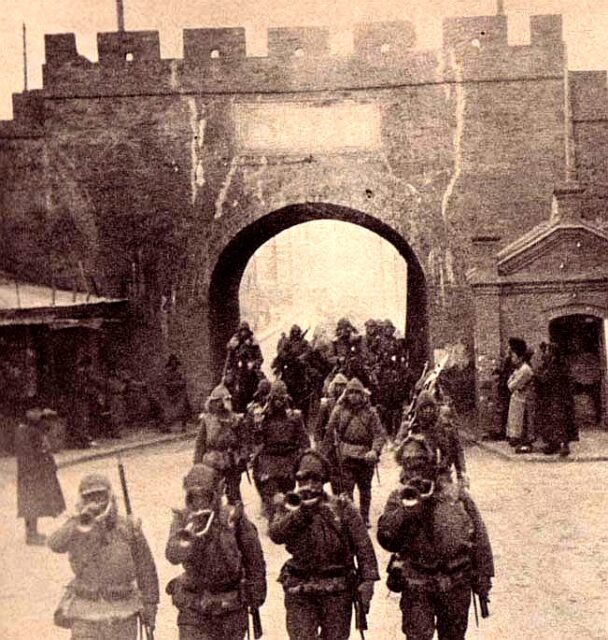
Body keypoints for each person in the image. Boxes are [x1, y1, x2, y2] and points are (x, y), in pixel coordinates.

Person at [377, 435, 494, 640]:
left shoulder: (456, 495)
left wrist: (484, 575)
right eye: (409, 467)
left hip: (456, 580)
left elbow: (480, 537)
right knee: (418, 635)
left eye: (420, 465)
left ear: (431, 465)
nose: (415, 473)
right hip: (417, 581)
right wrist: (406, 512)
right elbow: (387, 538)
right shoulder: (399, 498)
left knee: (453, 636)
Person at [269, 450, 379, 640]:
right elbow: (276, 535)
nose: (309, 486)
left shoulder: (342, 507)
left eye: (316, 480)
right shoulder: (289, 506)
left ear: (324, 481)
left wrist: (368, 582)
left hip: (336, 589)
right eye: (303, 480)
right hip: (300, 586)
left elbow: (363, 547)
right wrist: (301, 512)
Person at [48, 473, 159, 639]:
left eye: (100, 496)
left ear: (110, 497)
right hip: (86, 610)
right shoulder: (77, 526)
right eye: (89, 498)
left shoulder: (128, 527)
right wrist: (78, 521)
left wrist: (150, 605)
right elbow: (55, 544)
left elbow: (146, 568)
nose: (96, 503)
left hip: (123, 610)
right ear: (82, 500)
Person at [165, 464, 267, 640]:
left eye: (205, 496)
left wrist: (256, 594)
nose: (200, 502)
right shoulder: (182, 518)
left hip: (230, 604)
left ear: (216, 494)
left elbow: (254, 558)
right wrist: (189, 538)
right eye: (194, 497)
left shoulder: (233, 517)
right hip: (194, 603)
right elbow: (172, 555)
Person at [321, 377, 387, 528]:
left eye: (357, 393)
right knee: (347, 489)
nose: (354, 396)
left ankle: (364, 517)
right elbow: (329, 434)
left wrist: (375, 451)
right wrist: (323, 455)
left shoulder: (371, 413)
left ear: (362, 394)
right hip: (346, 456)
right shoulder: (338, 411)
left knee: (365, 489)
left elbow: (379, 435)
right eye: (351, 393)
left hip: (365, 457)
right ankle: (350, 518)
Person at [251, 380, 310, 520]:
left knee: (287, 491)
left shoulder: (294, 417)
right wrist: (257, 426)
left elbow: (303, 438)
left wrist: (307, 455)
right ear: (271, 398)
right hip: (269, 458)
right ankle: (273, 518)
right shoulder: (263, 417)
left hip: (289, 458)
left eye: (281, 398)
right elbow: (257, 440)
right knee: (271, 491)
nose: (278, 402)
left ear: (286, 398)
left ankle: (285, 519)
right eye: (276, 398)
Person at [396, 389, 468, 492]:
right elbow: (398, 453)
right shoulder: (411, 428)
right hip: (414, 475)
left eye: (430, 407)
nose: (427, 411)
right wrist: (406, 442)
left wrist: (462, 474)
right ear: (418, 410)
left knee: (452, 500)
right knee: (402, 501)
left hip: (440, 474)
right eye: (424, 408)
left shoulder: (445, 428)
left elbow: (457, 451)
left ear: (435, 408)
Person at [15, 407, 66, 545]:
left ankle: (33, 533)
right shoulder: (23, 430)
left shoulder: (33, 427)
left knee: (35, 504)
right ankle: (31, 536)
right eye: (34, 411)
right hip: (31, 474)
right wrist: (35, 472)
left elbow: (46, 430)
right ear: (26, 413)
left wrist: (46, 416)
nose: (38, 414)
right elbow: (27, 456)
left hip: (38, 471)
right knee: (30, 504)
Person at [194, 384, 249, 505]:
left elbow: (244, 441)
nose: (221, 405)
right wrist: (197, 465)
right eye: (217, 402)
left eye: (224, 401)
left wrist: (243, 458)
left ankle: (237, 520)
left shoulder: (236, 419)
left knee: (234, 496)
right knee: (211, 495)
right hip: (211, 463)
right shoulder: (207, 420)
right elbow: (200, 444)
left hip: (231, 463)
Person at [535, 342, 572, 456]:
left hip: (558, 397)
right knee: (552, 421)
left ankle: (564, 445)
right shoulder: (553, 363)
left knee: (559, 421)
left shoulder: (557, 365)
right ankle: (553, 444)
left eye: (548, 351)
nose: (546, 353)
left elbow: (546, 378)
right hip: (553, 397)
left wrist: (537, 374)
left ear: (553, 353)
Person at [224, 321, 264, 413]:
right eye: (242, 331)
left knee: (261, 383)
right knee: (228, 384)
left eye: (245, 331)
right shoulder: (234, 343)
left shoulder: (253, 343)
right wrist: (229, 370)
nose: (243, 333)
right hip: (237, 370)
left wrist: (253, 364)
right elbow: (229, 359)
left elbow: (260, 358)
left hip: (250, 370)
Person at [506, 338, 536, 453]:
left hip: (524, 401)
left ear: (520, 358)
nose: (512, 359)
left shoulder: (525, 370)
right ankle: (520, 441)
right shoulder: (519, 369)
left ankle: (526, 443)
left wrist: (513, 380)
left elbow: (511, 386)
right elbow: (509, 383)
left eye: (514, 357)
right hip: (519, 399)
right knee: (518, 421)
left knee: (525, 421)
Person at [314, 372, 348, 447]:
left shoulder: (348, 405)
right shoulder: (326, 403)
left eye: (342, 385)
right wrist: (318, 441)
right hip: (329, 438)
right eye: (337, 385)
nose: (339, 388)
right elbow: (319, 425)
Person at [162, 354, 193, 433]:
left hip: (180, 394)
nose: (173, 364)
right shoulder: (167, 373)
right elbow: (165, 383)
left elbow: (183, 382)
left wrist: (175, 384)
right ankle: (167, 427)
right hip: (171, 394)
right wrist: (172, 385)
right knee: (169, 411)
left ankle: (183, 426)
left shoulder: (180, 373)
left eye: (175, 363)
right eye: (172, 363)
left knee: (183, 409)